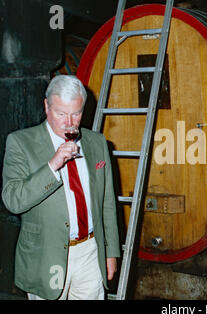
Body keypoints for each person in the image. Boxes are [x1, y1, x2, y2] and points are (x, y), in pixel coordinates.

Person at [2, 75, 120, 300]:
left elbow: (107, 202)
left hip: (90, 252)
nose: (69, 122)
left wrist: (111, 253)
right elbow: (13, 201)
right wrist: (53, 165)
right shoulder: (20, 142)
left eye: (76, 113)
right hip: (46, 256)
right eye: (61, 113)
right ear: (46, 106)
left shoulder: (97, 142)